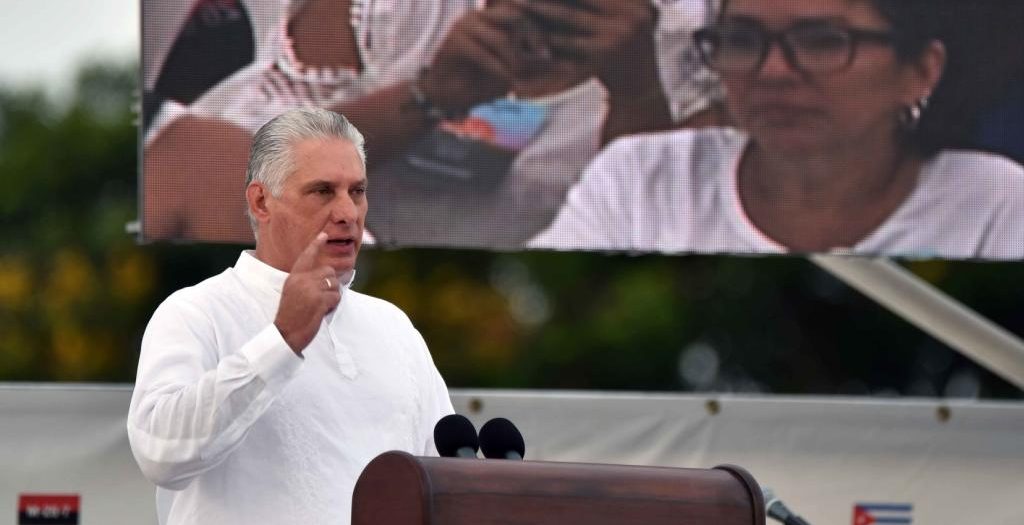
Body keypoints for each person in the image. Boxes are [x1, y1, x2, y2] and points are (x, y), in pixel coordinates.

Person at [141, 0, 719, 248]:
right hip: (322, 308)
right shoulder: (393, 14)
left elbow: (684, 236)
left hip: (540, 335)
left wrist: (638, 90)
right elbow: (210, 169)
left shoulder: (697, 33)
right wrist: (426, 99)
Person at [127, 108, 454, 525]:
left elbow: (444, 481)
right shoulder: (196, 312)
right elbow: (160, 453)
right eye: (323, 191)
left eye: (357, 191)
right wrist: (281, 342)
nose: (347, 213)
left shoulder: (393, 326)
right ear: (261, 201)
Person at [529, 0, 1024, 260]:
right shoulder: (639, 176)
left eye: (822, 42)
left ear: (920, 70)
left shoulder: (997, 203)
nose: (774, 72)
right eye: (743, 41)